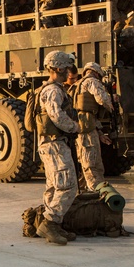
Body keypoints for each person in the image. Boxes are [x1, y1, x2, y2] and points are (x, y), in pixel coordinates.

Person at [34, 50, 82, 246]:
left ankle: (52, 223)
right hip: (55, 143)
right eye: (67, 67)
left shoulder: (52, 88)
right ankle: (50, 222)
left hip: (51, 143)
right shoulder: (53, 90)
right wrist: (76, 127)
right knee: (68, 184)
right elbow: (56, 116)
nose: (69, 71)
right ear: (58, 68)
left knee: (54, 185)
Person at [71, 62, 115, 191]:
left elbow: (87, 112)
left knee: (86, 162)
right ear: (97, 73)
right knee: (92, 163)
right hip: (86, 129)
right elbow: (102, 99)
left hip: (82, 126)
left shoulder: (77, 84)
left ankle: (83, 190)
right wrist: (111, 105)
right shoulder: (92, 82)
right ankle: (96, 191)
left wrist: (100, 133)